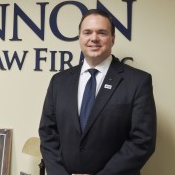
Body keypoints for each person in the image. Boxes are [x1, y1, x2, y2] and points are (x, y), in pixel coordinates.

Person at [38, 9, 156, 175]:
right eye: (87, 32)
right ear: (80, 37)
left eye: (102, 32)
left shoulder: (137, 82)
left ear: (112, 39)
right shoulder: (59, 81)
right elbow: (48, 133)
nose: (94, 38)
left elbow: (143, 141)